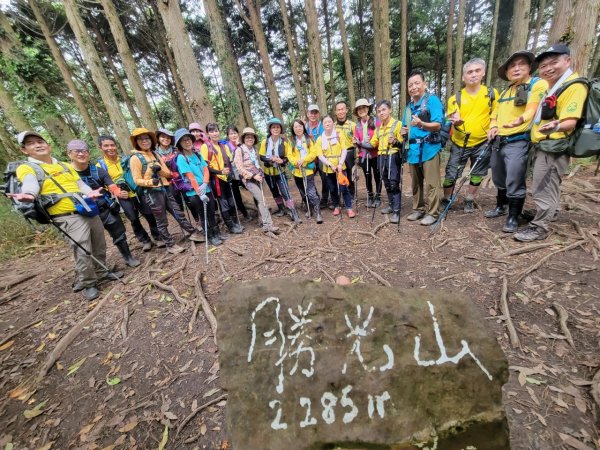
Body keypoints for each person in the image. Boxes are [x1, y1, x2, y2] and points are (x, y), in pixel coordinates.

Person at [11, 131, 121, 301]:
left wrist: (90, 192)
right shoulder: (27, 168)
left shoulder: (64, 165)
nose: (38, 145)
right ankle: (88, 282)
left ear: (48, 146)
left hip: (86, 208)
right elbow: (30, 183)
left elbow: (79, 184)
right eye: (31, 143)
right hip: (66, 215)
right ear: (24, 150)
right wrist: (29, 194)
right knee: (83, 249)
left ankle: (101, 272)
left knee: (99, 243)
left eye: (40, 141)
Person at [515, 44, 588, 242]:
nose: (547, 68)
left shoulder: (574, 86)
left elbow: (569, 121)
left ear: (568, 61)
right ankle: (550, 212)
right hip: (547, 144)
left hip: (553, 146)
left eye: (554, 62)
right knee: (551, 183)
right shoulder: (555, 87)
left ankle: (539, 227)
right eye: (544, 65)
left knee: (542, 185)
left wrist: (555, 127)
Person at [487, 51, 547, 233]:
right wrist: (493, 126)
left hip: (519, 139)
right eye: (512, 66)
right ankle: (501, 205)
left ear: (530, 67)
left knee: (514, 177)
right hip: (499, 140)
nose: (516, 68)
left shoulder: (537, 84)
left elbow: (532, 109)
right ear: (506, 72)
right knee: (498, 175)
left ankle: (514, 216)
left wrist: (521, 120)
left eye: (521, 64)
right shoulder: (506, 91)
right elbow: (494, 115)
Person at [129, 127, 205, 254]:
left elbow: (168, 174)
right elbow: (136, 180)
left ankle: (192, 233)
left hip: (165, 188)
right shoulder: (135, 158)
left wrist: (159, 169)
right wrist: (150, 181)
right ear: (136, 141)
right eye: (141, 139)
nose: (145, 141)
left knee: (178, 212)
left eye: (147, 138)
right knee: (161, 220)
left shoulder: (155, 154)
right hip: (152, 192)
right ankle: (170, 244)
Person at [67, 139, 140, 268]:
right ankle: (93, 270)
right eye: (76, 151)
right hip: (82, 212)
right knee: (88, 241)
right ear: (69, 154)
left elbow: (111, 184)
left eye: (84, 151)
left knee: (119, 233)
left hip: (104, 207)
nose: (81, 154)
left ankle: (127, 256)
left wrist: (118, 192)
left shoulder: (97, 170)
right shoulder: (66, 173)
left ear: (88, 153)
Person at [444, 58, 498, 212]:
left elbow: (496, 113)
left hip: (483, 141)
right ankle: (446, 199)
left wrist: (494, 126)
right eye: (469, 72)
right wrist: (457, 122)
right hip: (460, 142)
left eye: (477, 71)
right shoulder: (455, 99)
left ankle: (469, 199)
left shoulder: (491, 94)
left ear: (483, 73)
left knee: (478, 173)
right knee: (451, 173)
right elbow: (453, 117)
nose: (473, 75)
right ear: (463, 77)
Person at [97, 135, 161, 252]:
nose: (110, 148)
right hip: (122, 196)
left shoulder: (125, 159)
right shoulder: (100, 166)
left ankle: (157, 236)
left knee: (149, 214)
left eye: (112, 145)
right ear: (100, 147)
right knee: (133, 218)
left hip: (138, 191)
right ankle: (144, 240)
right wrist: (117, 192)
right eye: (106, 146)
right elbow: (102, 184)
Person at [402, 70, 444, 225]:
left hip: (430, 147)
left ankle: (433, 213)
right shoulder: (408, 108)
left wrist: (421, 124)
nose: (413, 87)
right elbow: (404, 128)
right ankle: (418, 209)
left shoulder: (432, 101)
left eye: (416, 83)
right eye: (410, 85)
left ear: (424, 84)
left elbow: (438, 124)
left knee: (432, 182)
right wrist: (403, 132)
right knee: (416, 183)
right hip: (413, 150)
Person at [173, 128, 223, 246]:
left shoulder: (197, 154)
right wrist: (200, 193)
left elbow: (206, 170)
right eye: (183, 140)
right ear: (179, 144)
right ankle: (210, 236)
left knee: (211, 211)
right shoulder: (181, 158)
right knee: (203, 214)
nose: (187, 142)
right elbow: (191, 177)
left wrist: (205, 183)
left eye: (188, 139)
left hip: (206, 188)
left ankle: (217, 233)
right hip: (194, 192)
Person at [234, 127, 280, 234]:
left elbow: (256, 164)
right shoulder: (239, 150)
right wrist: (253, 176)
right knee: (261, 199)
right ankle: (267, 225)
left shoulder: (253, 150)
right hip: (249, 179)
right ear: (244, 138)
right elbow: (239, 168)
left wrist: (260, 173)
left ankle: (265, 222)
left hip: (258, 176)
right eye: (247, 137)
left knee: (261, 199)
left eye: (252, 137)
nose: (250, 139)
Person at [199, 123, 244, 234]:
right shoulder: (205, 147)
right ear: (208, 133)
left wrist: (231, 172)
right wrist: (220, 172)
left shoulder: (223, 146)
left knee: (231, 201)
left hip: (226, 178)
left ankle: (235, 222)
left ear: (219, 131)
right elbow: (205, 167)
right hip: (216, 180)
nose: (214, 133)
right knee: (223, 203)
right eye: (212, 131)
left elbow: (230, 161)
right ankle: (230, 226)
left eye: (216, 131)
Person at [259, 117, 301, 223]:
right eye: (273, 127)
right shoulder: (265, 142)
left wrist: (281, 161)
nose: (276, 129)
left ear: (280, 129)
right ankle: (281, 208)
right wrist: (271, 159)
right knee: (275, 192)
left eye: (277, 127)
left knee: (285, 191)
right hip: (269, 173)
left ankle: (292, 211)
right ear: (270, 129)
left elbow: (287, 157)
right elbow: (262, 156)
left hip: (280, 171)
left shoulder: (284, 142)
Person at [370, 100, 404, 223]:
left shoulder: (398, 124)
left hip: (393, 156)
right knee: (386, 183)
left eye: (383, 110)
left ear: (390, 110)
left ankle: (396, 211)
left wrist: (395, 141)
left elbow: (403, 144)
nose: (381, 113)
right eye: (378, 111)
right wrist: (359, 141)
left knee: (394, 183)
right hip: (381, 156)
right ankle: (391, 205)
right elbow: (373, 143)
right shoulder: (378, 128)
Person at [316, 116, 356, 218]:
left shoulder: (339, 135)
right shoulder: (320, 139)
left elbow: (344, 150)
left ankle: (349, 208)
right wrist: (330, 164)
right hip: (328, 168)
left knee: (344, 188)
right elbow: (320, 155)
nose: (328, 124)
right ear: (323, 125)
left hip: (340, 166)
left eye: (329, 121)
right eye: (325, 122)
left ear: (333, 124)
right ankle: (336, 206)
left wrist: (340, 164)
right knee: (332, 188)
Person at [155, 128, 195, 223]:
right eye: (163, 137)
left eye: (168, 137)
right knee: (177, 205)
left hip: (182, 179)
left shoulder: (176, 150)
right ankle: (185, 226)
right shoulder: (155, 154)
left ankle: (197, 221)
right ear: (158, 138)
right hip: (168, 183)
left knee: (190, 201)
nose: (166, 139)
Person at [288, 119, 322, 223]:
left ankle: (318, 212)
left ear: (303, 127)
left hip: (307, 170)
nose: (298, 128)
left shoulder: (308, 139)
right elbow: (289, 155)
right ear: (293, 129)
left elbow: (313, 153)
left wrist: (304, 160)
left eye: (300, 126)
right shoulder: (291, 141)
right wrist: (296, 162)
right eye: (296, 127)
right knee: (302, 191)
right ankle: (309, 208)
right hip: (297, 171)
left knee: (311, 192)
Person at [352, 98, 381, 208]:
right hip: (364, 155)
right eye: (359, 109)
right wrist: (356, 142)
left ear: (368, 108)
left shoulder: (376, 121)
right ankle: (370, 196)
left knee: (377, 176)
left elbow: (379, 137)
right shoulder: (357, 125)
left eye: (363, 108)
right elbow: (356, 140)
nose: (361, 110)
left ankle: (378, 197)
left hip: (376, 154)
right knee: (367, 176)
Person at [224, 125, 251, 220]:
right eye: (231, 134)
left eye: (235, 133)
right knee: (236, 196)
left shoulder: (243, 144)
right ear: (228, 136)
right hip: (234, 174)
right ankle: (245, 214)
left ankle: (260, 211)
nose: (233, 135)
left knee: (253, 189)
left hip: (245, 172)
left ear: (238, 134)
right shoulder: (226, 146)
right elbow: (229, 160)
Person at [305, 104, 329, 209]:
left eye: (315, 113)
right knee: (308, 178)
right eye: (311, 112)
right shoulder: (304, 126)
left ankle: (325, 199)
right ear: (307, 114)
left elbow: (324, 142)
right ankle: (315, 198)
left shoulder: (322, 126)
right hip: (310, 157)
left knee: (325, 178)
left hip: (321, 156)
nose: (313, 115)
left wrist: (313, 140)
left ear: (318, 114)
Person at [334, 101, 357, 196]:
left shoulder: (352, 125)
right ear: (335, 112)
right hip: (338, 155)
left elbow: (357, 141)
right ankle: (341, 194)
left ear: (346, 110)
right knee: (340, 174)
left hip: (350, 152)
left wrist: (357, 155)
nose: (340, 111)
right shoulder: (333, 126)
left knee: (351, 174)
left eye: (342, 109)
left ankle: (351, 194)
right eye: (338, 110)